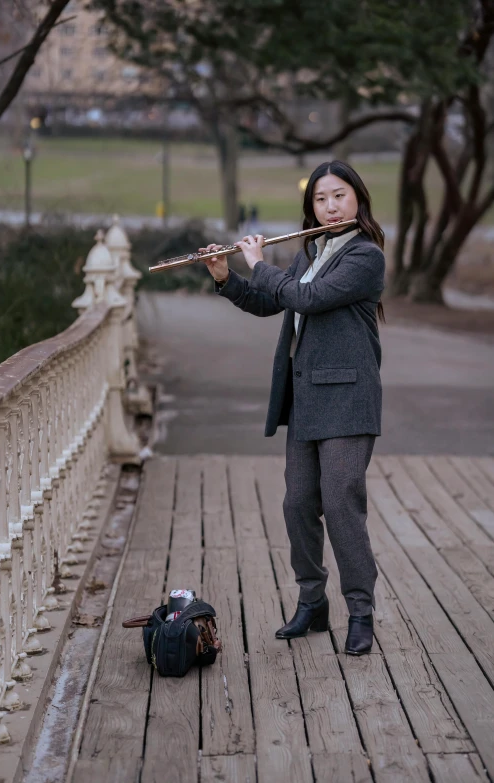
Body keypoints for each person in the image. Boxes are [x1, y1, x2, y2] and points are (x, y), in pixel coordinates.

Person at [199, 160, 386, 656]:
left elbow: (310, 299)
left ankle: (361, 611)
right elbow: (270, 303)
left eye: (339, 196)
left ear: (358, 200)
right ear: (311, 206)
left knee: (343, 504)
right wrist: (226, 275)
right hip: (306, 400)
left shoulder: (365, 257)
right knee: (298, 504)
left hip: (348, 399)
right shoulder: (311, 254)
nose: (330, 207)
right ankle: (312, 602)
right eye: (321, 199)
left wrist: (260, 264)